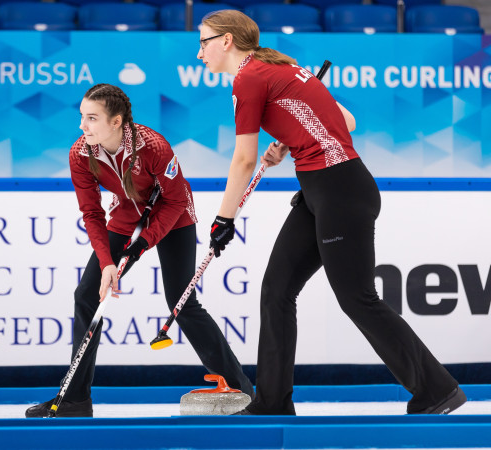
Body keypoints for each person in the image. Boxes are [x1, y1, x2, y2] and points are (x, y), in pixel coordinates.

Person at [197, 9, 466, 415]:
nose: (199, 52)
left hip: (339, 189)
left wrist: (224, 219)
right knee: (276, 291)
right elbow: (347, 121)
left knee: (357, 298)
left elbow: (243, 161)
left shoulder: (250, 78)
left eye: (203, 41)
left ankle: (437, 389)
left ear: (226, 41)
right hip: (322, 190)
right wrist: (290, 138)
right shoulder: (281, 66)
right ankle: (272, 402)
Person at [25, 83, 254, 418]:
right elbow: (91, 213)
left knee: (181, 302)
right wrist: (107, 263)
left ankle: (242, 391)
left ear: (116, 121)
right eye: (82, 117)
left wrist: (143, 244)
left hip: (174, 217)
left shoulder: (153, 146)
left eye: (91, 118)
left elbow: (175, 200)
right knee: (88, 294)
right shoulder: (80, 153)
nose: (82, 126)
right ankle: (74, 400)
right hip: (125, 216)